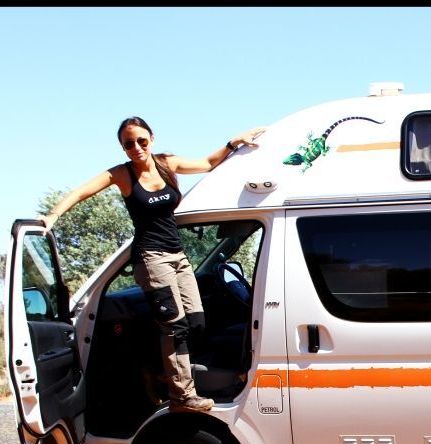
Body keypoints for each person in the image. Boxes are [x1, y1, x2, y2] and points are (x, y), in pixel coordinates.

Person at [39, 116, 267, 412]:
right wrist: (53, 216)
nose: (136, 148)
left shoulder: (166, 163)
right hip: (151, 257)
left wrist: (232, 143)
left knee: (196, 322)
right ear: (123, 148)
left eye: (141, 141)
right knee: (174, 325)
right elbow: (82, 192)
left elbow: (207, 163)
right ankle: (181, 396)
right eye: (128, 144)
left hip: (177, 255)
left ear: (152, 139)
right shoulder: (123, 175)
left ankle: (156, 371)